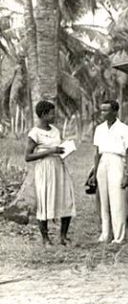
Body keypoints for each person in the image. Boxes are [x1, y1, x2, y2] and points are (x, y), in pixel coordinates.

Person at [25, 100, 76, 246]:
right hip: (44, 169)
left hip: (59, 167)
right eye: (52, 113)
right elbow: (28, 157)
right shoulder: (34, 133)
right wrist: (50, 151)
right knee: (45, 201)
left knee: (66, 199)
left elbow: (57, 147)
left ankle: (63, 236)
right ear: (43, 114)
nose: (55, 115)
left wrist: (65, 148)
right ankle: (45, 238)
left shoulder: (55, 130)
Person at [89, 100, 128, 244]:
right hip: (103, 162)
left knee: (117, 201)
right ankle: (105, 234)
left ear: (115, 111)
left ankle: (119, 237)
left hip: (117, 161)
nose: (103, 113)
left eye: (106, 110)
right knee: (104, 201)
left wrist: (127, 174)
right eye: (101, 110)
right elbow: (97, 153)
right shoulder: (99, 129)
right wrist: (94, 173)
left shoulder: (124, 128)